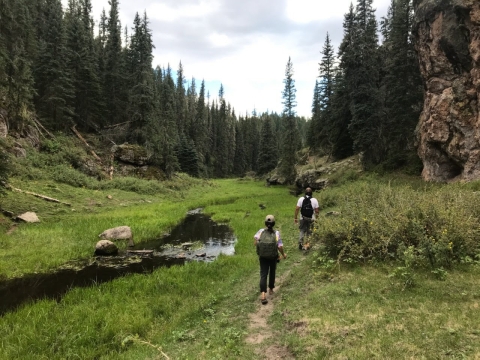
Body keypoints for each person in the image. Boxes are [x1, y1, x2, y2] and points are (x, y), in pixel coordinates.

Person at [254, 215, 287, 305]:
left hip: (263, 257)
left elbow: (255, 242)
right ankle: (271, 289)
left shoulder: (261, 231)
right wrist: (283, 254)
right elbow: (279, 246)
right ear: (273, 223)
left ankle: (263, 295)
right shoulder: (276, 233)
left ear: (265, 223)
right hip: (273, 257)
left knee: (263, 274)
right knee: (272, 272)